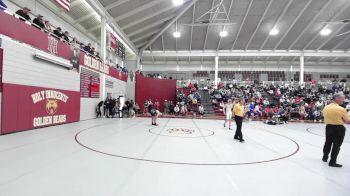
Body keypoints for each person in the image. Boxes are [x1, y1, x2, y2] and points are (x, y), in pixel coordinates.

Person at [322, 93, 350, 168]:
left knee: (328, 142)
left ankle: (325, 157)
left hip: (328, 127)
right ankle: (332, 162)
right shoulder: (341, 109)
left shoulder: (326, 107)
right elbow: (348, 121)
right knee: (336, 145)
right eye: (342, 99)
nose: (343, 100)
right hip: (338, 128)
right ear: (337, 98)